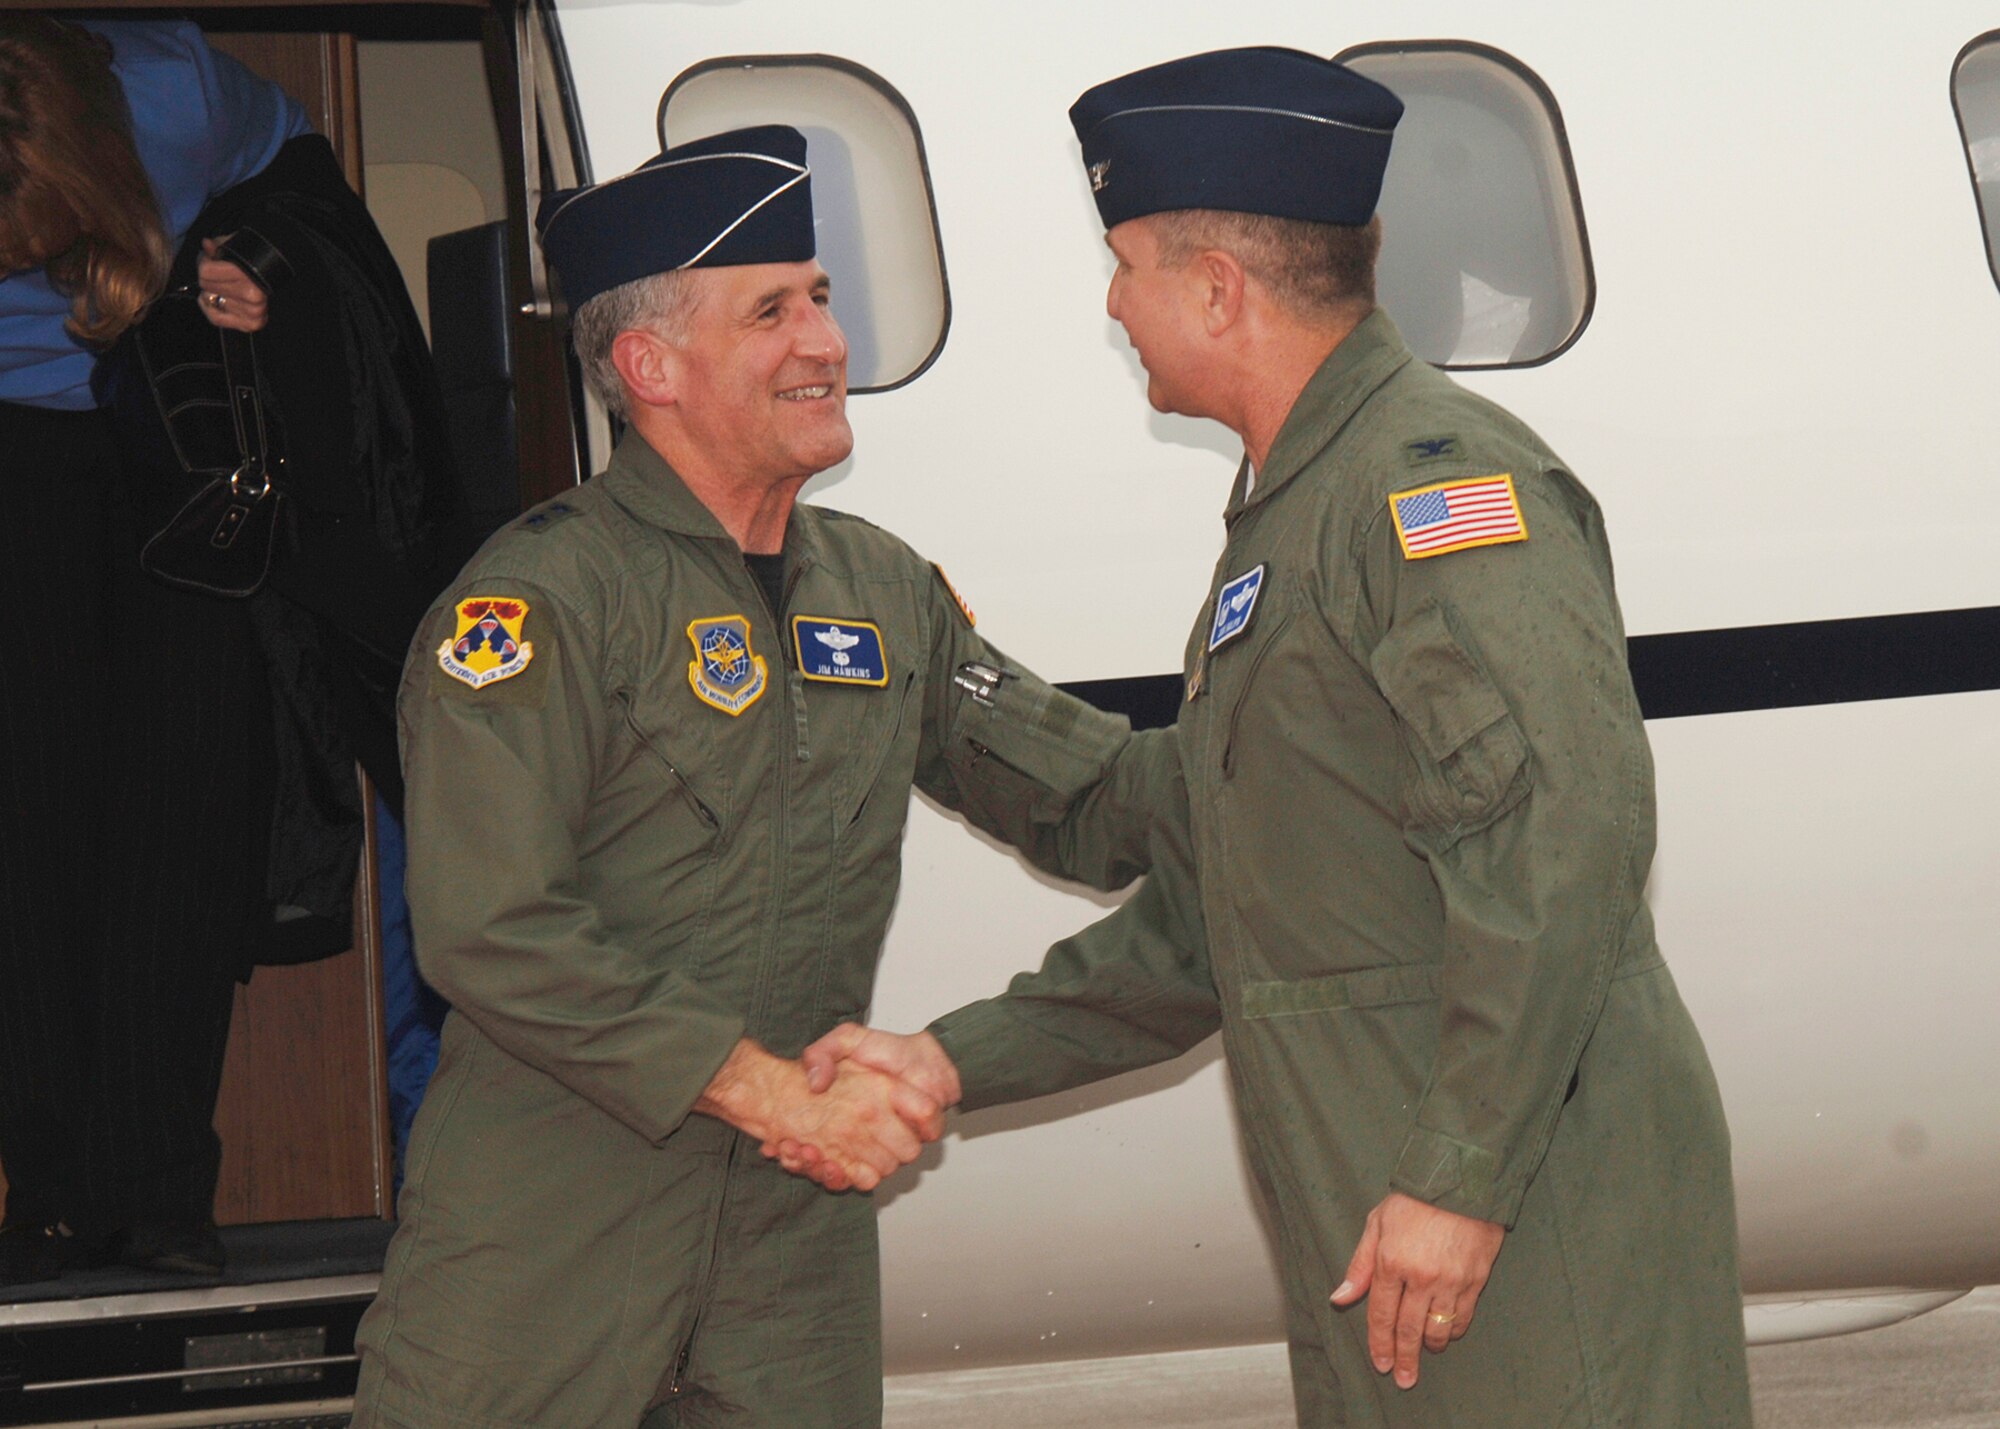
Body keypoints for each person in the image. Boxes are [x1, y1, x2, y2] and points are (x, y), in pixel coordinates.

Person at [793, 47, 1754, 1427]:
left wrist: (1458, 1176)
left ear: (1217, 289)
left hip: (1504, 1221)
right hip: (1395, 1223)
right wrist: (954, 1059)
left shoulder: (1434, 493)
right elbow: (1226, 909)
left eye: (1124, 265)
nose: (1113, 304)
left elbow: (1562, 836)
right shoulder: (1298, 514)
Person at [350, 124, 1159, 1429]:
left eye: (823, 301)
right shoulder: (537, 602)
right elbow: (490, 926)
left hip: (792, 1238)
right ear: (649, 364)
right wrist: (767, 1088)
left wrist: (1296, 758)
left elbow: (1090, 793)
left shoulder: (883, 588)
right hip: (556, 1214)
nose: (826, 343)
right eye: (772, 311)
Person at [0, 14, 308, 1283]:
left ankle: (163, 1191)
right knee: (31, 839)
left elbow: (301, 182)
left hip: (172, 439)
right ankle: (55, 1192)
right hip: (11, 459)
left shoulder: (174, 89)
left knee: (177, 830)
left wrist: (255, 262)